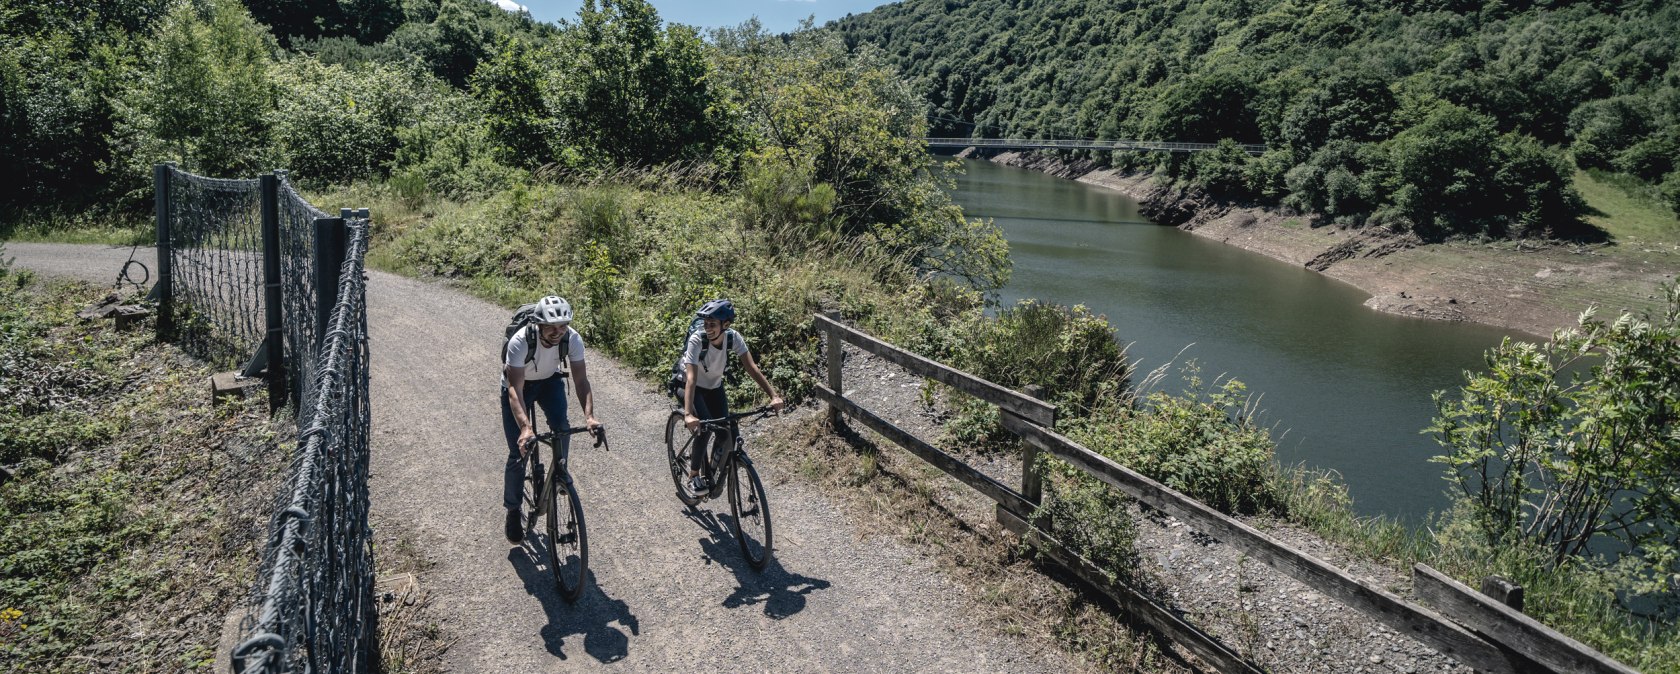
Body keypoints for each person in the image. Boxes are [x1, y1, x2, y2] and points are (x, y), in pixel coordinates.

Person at [502, 295, 599, 544]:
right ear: (539, 324)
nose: (558, 332)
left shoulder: (572, 338)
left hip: (549, 381)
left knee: (562, 428)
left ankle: (560, 472)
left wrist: (589, 416)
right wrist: (525, 428)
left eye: (563, 326)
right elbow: (514, 390)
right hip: (519, 387)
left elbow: (581, 380)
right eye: (552, 327)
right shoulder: (520, 341)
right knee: (519, 452)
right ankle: (513, 510)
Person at [681, 299, 783, 493]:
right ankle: (693, 475)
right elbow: (691, 379)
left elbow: (752, 368)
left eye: (712, 324)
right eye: (705, 324)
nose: (707, 328)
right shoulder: (697, 340)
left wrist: (773, 395)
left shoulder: (733, 338)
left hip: (714, 386)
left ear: (725, 325)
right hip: (691, 387)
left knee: (725, 431)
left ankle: (711, 471)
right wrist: (688, 414)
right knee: (705, 427)